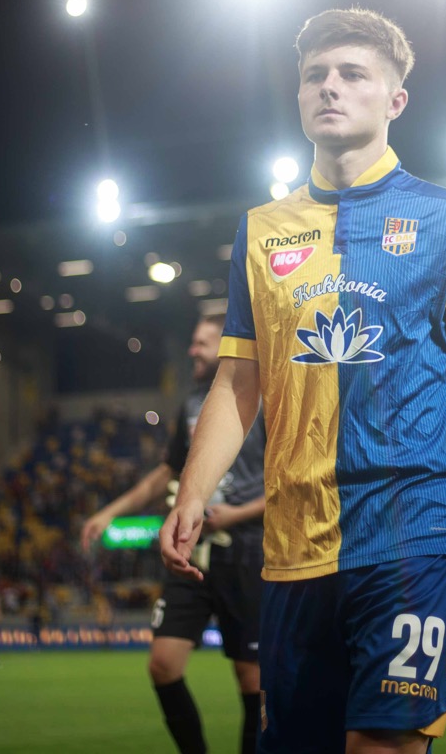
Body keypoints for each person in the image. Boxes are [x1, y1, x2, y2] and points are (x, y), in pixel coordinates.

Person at [160, 7, 446, 754]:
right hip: (293, 546)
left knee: (384, 746)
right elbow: (237, 383)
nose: (329, 87)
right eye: (315, 75)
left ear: (395, 100)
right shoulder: (261, 230)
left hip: (414, 529)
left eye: (352, 74)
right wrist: (191, 493)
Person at [82, 314, 266, 754]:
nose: (191, 350)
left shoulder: (264, 396)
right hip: (192, 551)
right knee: (163, 665)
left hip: (248, 553)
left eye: (201, 342)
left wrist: (235, 515)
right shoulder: (191, 405)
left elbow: (291, 479)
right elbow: (167, 472)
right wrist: (109, 512)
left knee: (253, 680)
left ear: (227, 343)